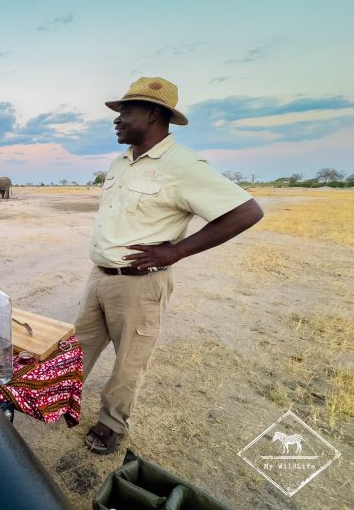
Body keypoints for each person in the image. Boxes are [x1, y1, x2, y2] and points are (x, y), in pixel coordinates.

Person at [77, 77, 264, 454]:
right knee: (76, 347)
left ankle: (111, 424)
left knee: (129, 360)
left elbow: (246, 211)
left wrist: (175, 252)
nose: (117, 119)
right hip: (99, 276)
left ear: (152, 113)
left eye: (125, 111)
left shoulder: (183, 165)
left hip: (139, 284)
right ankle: (60, 401)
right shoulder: (119, 162)